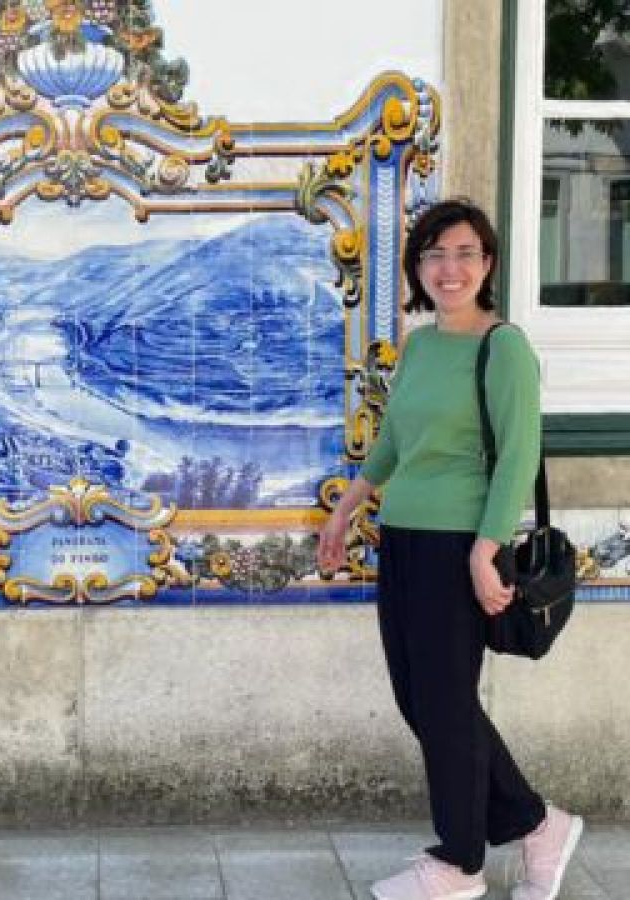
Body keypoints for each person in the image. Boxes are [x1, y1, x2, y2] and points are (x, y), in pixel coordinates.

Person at [316, 199, 582, 900]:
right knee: (424, 700)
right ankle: (537, 824)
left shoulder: (504, 348)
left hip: (460, 543)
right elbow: (394, 443)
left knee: (444, 704)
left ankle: (460, 864)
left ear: (487, 264)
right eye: (434, 255)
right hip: (404, 540)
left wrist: (484, 550)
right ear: (418, 268)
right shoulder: (421, 347)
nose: (449, 268)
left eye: (465, 253)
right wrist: (345, 510)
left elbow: (519, 455)